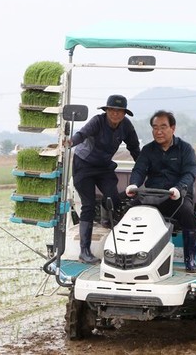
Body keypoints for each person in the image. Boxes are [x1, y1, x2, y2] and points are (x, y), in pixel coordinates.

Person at [125, 110, 196, 273]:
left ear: (173, 128)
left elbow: (190, 173)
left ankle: (190, 259)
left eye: (163, 127)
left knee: (188, 214)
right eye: (155, 127)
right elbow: (139, 170)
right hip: (152, 196)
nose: (158, 131)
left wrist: (178, 188)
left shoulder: (185, 149)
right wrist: (133, 185)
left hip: (177, 196)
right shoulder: (148, 150)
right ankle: (133, 258)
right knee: (130, 210)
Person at [69, 94, 140, 264]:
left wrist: (145, 168)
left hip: (103, 166)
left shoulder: (126, 126)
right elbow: (82, 134)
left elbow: (135, 148)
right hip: (83, 165)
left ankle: (105, 213)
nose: (115, 114)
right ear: (106, 110)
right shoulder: (97, 121)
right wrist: (69, 142)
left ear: (124, 114)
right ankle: (84, 251)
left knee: (112, 198)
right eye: (112, 110)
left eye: (119, 111)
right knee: (88, 204)